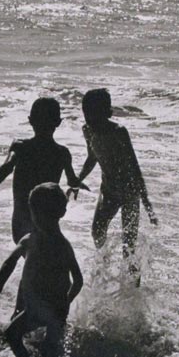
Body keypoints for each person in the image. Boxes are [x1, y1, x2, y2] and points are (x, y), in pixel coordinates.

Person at [0, 183, 83, 357]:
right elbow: (8, 264)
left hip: (55, 309)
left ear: (60, 214)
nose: (39, 219)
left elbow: (78, 280)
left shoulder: (61, 246)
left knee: (51, 351)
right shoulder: (30, 241)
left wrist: (66, 302)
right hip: (35, 308)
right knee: (12, 335)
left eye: (44, 215)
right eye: (36, 214)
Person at [0, 98, 87, 243]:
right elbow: (72, 181)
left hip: (21, 219)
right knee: (46, 258)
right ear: (58, 122)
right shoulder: (62, 153)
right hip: (48, 221)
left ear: (30, 120)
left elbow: (5, 168)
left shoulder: (20, 147)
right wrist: (76, 186)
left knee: (32, 258)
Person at [75, 89, 157, 263]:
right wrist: (77, 180)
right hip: (108, 189)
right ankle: (103, 267)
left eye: (94, 115)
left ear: (107, 113)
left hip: (130, 192)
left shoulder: (119, 132)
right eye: (86, 115)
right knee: (97, 231)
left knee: (129, 246)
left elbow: (134, 167)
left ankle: (133, 287)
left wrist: (146, 200)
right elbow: (92, 158)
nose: (89, 120)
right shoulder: (87, 130)